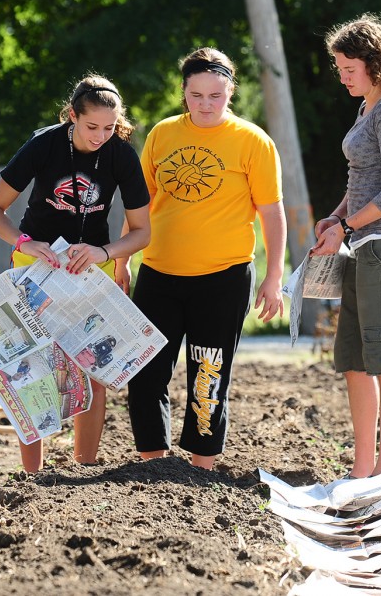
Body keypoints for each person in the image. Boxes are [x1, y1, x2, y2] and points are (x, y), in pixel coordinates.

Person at [0, 74, 152, 472]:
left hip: (91, 268)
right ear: (72, 116)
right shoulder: (43, 144)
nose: (100, 136)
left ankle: (84, 468)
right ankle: (32, 476)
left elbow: (143, 232)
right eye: (92, 126)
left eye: (109, 128)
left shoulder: (121, 155)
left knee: (94, 369)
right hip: (34, 266)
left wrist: (104, 252)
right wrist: (24, 242)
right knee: (34, 368)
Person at [127, 47, 286, 471]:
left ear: (230, 91)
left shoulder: (253, 141)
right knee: (145, 372)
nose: (205, 105)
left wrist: (273, 277)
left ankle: (201, 469)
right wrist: (125, 257)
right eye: (196, 95)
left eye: (215, 96)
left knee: (207, 375)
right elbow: (140, 204)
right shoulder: (162, 134)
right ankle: (152, 464)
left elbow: (271, 212)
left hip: (224, 277)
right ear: (184, 92)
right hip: (159, 273)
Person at [310, 14, 381, 478]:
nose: (341, 77)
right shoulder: (367, 107)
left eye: (348, 69)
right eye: (338, 69)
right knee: (355, 361)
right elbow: (362, 181)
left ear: (375, 63)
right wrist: (337, 218)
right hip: (364, 244)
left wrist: (346, 227)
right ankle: (362, 471)